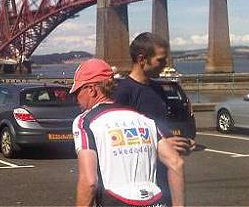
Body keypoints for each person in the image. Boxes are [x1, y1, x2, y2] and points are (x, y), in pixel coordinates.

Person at [71, 59, 185, 207]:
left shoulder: (86, 122)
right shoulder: (143, 119)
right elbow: (176, 163)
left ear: (92, 89)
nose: (76, 99)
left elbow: (90, 182)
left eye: (78, 92)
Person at [113, 32, 193, 206]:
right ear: (142, 59)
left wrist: (178, 142)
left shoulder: (157, 88)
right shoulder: (123, 92)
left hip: (164, 175)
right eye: (161, 60)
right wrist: (159, 145)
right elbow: (118, 138)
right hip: (139, 180)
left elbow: (158, 125)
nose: (165, 65)